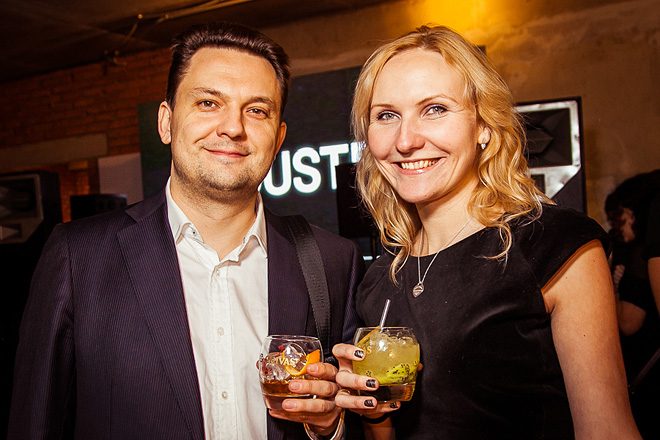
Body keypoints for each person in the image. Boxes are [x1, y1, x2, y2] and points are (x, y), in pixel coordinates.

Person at [7, 22, 365, 440]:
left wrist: (331, 427)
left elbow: (362, 418)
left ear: (278, 137)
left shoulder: (331, 260)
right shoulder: (78, 258)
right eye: (209, 103)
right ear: (166, 122)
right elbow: (35, 423)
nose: (233, 128)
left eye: (257, 110)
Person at [332, 25, 641, 439]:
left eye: (435, 109)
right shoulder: (380, 279)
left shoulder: (554, 245)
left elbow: (607, 431)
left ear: (483, 125)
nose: (405, 141)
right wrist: (371, 411)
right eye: (386, 115)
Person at [605, 169, 660, 439]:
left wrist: (611, 287)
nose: (618, 227)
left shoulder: (641, 255)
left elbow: (628, 322)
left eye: (620, 217)